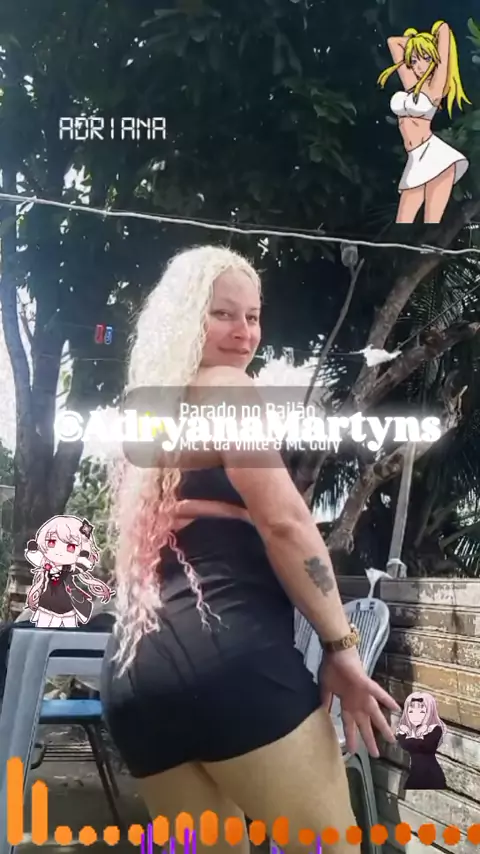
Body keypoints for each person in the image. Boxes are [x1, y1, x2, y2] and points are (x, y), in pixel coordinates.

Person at [100, 245, 399, 854]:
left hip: (135, 680)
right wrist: (342, 648)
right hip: (230, 659)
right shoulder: (228, 389)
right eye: (223, 314)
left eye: (254, 316)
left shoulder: (145, 416)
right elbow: (285, 522)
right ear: (188, 319)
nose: (244, 333)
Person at [378, 20, 470, 224]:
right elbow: (393, 42)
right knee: (403, 222)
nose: (419, 66)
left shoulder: (436, 87)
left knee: (431, 221)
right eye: (414, 60)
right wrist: (415, 42)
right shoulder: (412, 85)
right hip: (416, 156)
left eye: (426, 58)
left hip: (435, 157)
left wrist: (434, 37)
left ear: (435, 59)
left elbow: (444, 31)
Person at [25, 514, 115, 627]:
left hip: (67, 605)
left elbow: (83, 567)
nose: (59, 551)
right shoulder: (47, 565)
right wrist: (33, 549)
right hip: (47, 605)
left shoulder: (71, 568)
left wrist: (87, 559)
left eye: (71, 547)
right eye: (52, 543)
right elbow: (36, 558)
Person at [396, 692, 447, 790]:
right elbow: (403, 743)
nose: (415, 716)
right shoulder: (410, 729)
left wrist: (410, 735)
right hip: (415, 774)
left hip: (432, 777)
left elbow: (423, 745)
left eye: (422, 712)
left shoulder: (435, 729)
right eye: (411, 711)